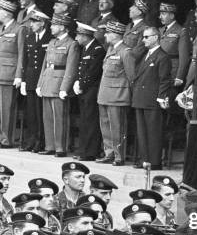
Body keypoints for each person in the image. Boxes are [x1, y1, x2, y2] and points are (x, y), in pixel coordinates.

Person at [36, 13, 80, 157]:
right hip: (48, 81)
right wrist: (40, 84)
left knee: (59, 117)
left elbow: (71, 68)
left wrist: (64, 87)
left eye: (55, 25)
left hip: (59, 82)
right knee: (47, 117)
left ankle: (61, 147)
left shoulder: (71, 44)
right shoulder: (51, 42)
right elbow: (45, 64)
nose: (52, 27)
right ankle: (50, 146)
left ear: (63, 27)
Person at [131, 26, 172, 171]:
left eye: (147, 37)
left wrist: (161, 97)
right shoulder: (144, 54)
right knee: (142, 132)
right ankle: (144, 159)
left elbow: (164, 79)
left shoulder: (162, 56)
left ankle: (154, 161)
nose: (144, 40)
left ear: (156, 37)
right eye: (143, 37)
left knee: (153, 131)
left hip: (152, 99)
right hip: (141, 98)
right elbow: (133, 57)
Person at [0, 0, 23, 149]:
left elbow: (21, 54)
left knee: (6, 108)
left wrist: (19, 75)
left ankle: (7, 139)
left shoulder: (19, 29)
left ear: (6, 13)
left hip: (8, 73)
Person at [97, 21, 134, 166]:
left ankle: (119, 156)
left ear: (115, 35)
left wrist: (127, 95)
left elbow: (131, 77)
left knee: (117, 127)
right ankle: (109, 153)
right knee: (105, 126)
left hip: (118, 95)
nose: (105, 35)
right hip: (105, 94)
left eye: (107, 32)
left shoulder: (126, 52)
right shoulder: (110, 49)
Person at [18, 10, 51, 153]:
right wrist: (24, 80)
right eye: (31, 22)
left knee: (40, 113)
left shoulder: (49, 38)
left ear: (42, 23)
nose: (31, 25)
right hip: (31, 79)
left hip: (43, 79)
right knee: (31, 113)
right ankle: (31, 140)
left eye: (34, 22)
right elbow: (26, 60)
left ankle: (41, 142)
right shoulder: (30, 37)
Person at [73, 22, 105, 161]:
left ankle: (90, 152)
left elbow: (93, 71)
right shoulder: (86, 48)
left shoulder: (97, 49)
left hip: (92, 89)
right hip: (85, 89)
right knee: (85, 120)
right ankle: (83, 150)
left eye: (78, 35)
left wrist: (82, 84)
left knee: (91, 121)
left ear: (85, 36)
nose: (76, 38)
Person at [159, 2, 191, 98]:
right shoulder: (159, 30)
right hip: (159, 70)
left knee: (169, 101)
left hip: (171, 72)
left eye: (163, 14)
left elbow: (184, 57)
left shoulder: (181, 31)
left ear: (172, 15)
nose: (160, 16)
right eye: (160, 13)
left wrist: (179, 76)